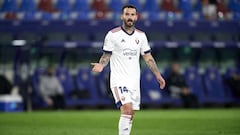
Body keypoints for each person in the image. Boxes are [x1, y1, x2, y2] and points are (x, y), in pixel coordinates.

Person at [91, 5, 166, 135]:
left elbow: (148, 57)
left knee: (130, 114)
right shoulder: (113, 35)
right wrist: (101, 65)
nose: (129, 17)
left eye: (132, 15)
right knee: (126, 109)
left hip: (134, 81)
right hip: (119, 79)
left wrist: (158, 75)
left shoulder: (141, 36)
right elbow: (106, 55)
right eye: (127, 14)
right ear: (122, 16)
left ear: (136, 17)